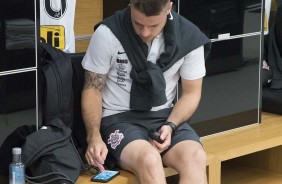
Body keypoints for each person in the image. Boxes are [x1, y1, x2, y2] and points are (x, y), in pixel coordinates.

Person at [81, 0, 211, 183]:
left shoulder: (189, 37)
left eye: (153, 25)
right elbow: (92, 89)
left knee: (196, 157)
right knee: (149, 159)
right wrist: (93, 137)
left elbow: (191, 93)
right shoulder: (108, 33)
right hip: (118, 118)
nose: (144, 32)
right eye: (138, 23)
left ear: (169, 8)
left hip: (165, 117)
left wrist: (171, 126)